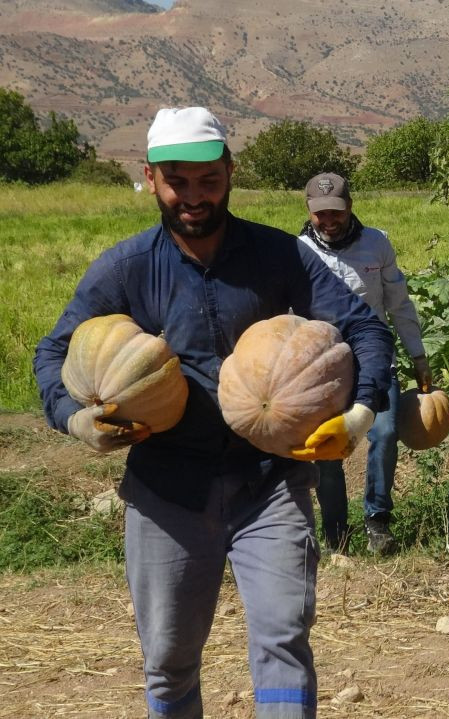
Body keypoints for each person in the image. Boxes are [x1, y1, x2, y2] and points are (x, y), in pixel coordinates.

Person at [32, 107, 394, 719]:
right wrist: (74, 417)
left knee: (283, 638)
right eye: (178, 182)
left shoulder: (280, 256)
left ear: (229, 173)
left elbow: (362, 328)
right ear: (150, 178)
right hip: (167, 489)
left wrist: (359, 416)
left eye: (209, 182)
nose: (193, 198)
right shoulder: (126, 269)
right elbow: (55, 351)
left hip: (268, 483)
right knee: (168, 660)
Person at [297, 171, 431, 555]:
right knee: (326, 450)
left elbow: (399, 304)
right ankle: (336, 532)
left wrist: (418, 356)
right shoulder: (298, 252)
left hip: (376, 359)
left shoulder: (377, 244)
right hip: (323, 368)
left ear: (350, 207)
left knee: (385, 433)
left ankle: (378, 521)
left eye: (335, 212)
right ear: (309, 212)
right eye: (321, 214)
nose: (329, 221)